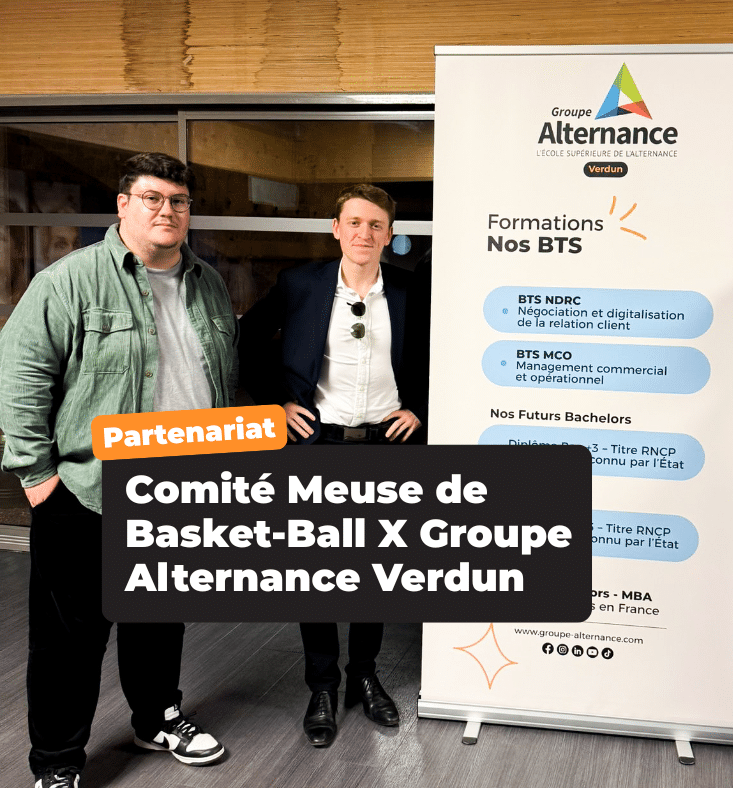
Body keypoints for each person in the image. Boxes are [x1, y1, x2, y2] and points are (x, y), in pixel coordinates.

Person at [0, 153, 237, 788]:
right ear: (124, 206)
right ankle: (57, 763)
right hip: (85, 491)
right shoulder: (68, 282)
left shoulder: (207, 284)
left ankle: (157, 718)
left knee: (159, 620)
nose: (168, 210)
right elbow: (20, 383)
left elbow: (218, 380)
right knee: (68, 642)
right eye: (154, 198)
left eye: (179, 201)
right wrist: (38, 482)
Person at [238, 183, 429, 747]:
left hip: (385, 446)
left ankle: (364, 677)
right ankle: (321, 685)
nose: (364, 233)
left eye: (375, 225)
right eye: (354, 222)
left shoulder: (413, 289)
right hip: (317, 445)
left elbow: (441, 355)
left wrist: (420, 408)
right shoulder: (301, 284)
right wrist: (277, 404)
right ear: (336, 229)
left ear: (389, 235)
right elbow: (248, 337)